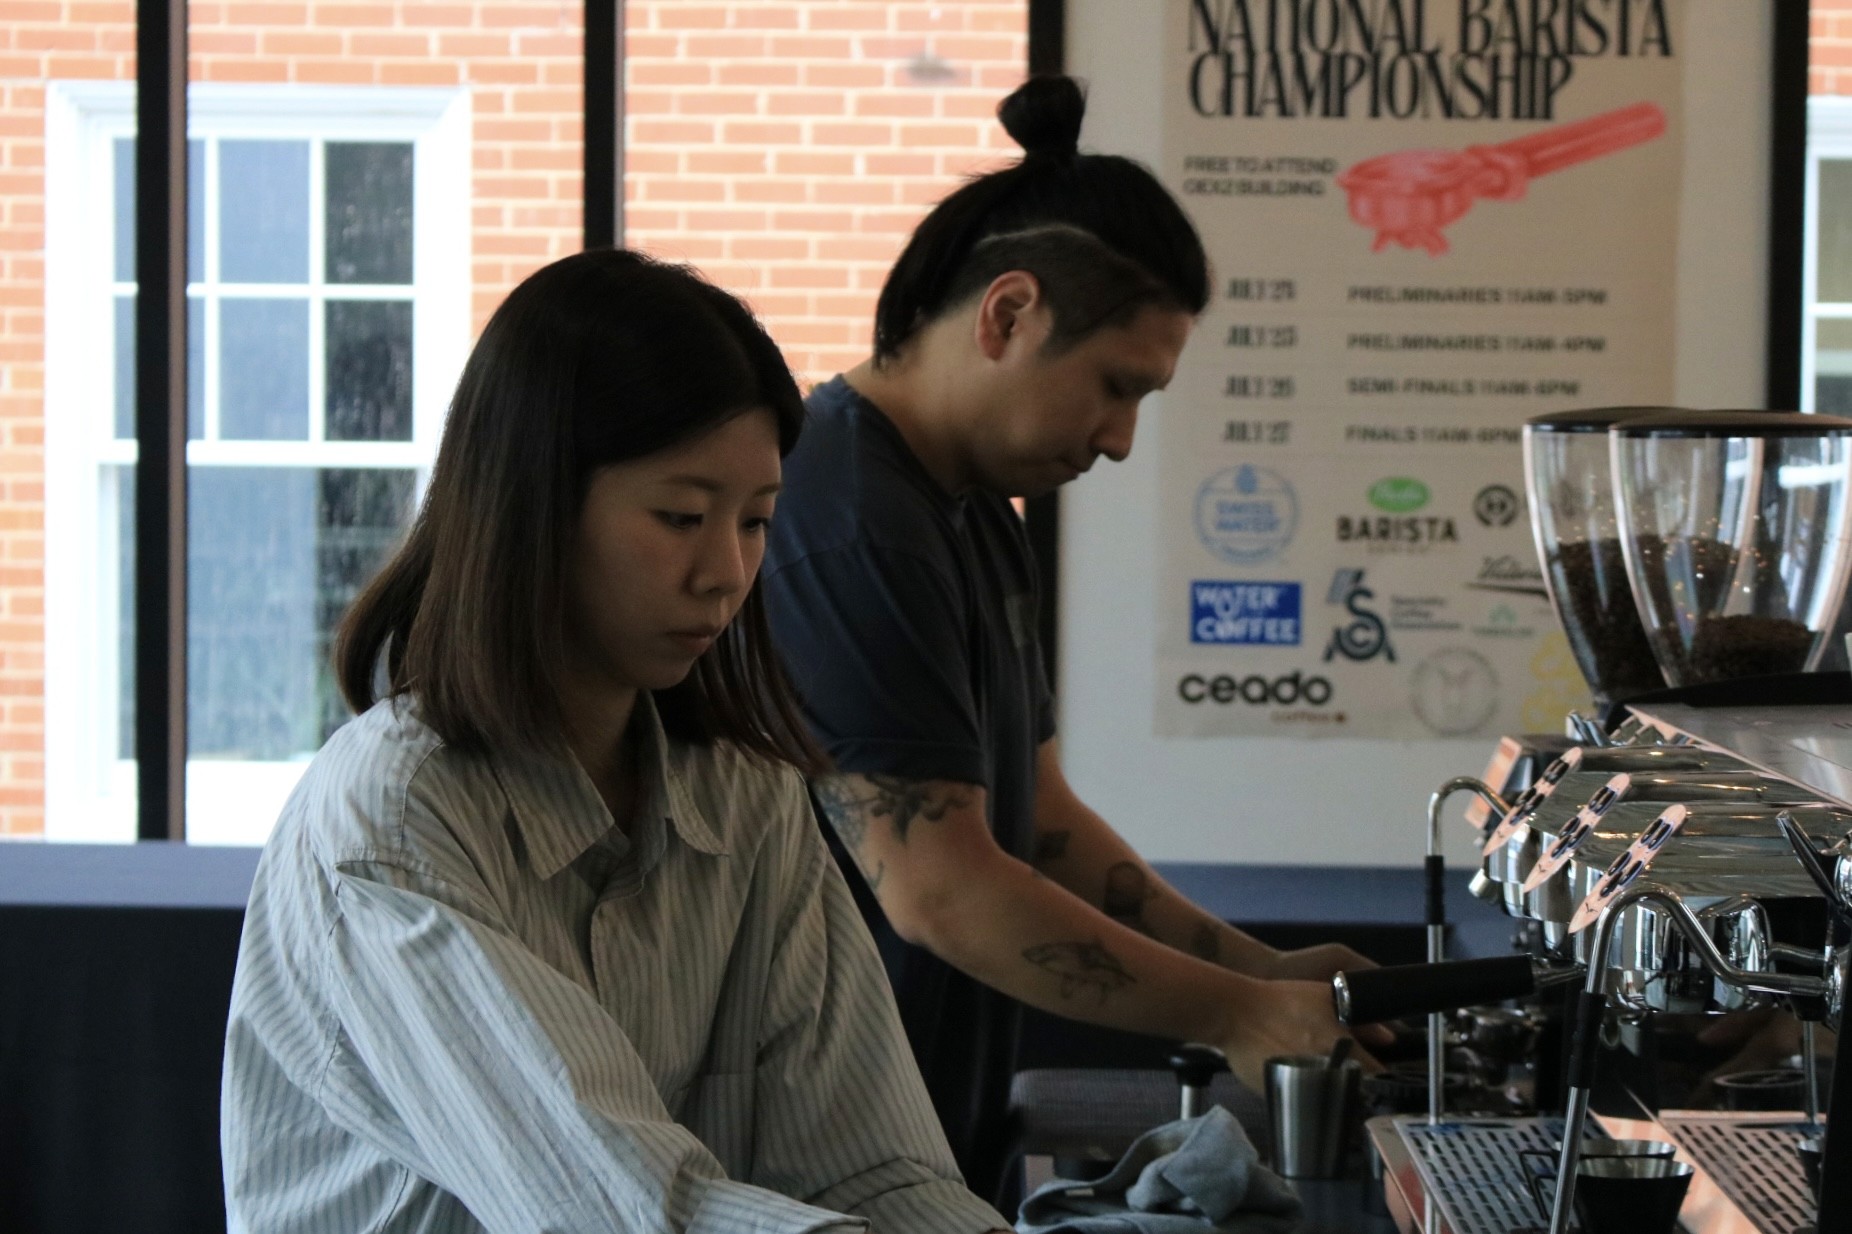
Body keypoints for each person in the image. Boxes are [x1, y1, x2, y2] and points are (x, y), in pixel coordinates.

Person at [220, 250, 1011, 1234]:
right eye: (681, 516)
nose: (726, 571)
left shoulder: (749, 800)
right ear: (535, 506)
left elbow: (874, 1172)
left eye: (757, 521)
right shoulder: (392, 819)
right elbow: (612, 1212)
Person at [761, 76, 1385, 1200]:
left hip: (938, 1145)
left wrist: (1264, 968)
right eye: (1114, 387)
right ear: (1008, 315)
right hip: (817, 1167)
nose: (1121, 439)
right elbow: (940, 890)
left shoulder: (974, 518)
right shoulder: (849, 522)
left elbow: (1041, 822)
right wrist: (1239, 1013)